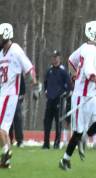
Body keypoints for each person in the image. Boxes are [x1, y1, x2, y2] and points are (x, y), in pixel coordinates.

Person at [59, 20, 96, 170]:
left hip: (90, 95)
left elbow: (71, 61)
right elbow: (89, 73)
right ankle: (65, 160)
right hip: (81, 96)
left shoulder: (84, 47)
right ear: (91, 34)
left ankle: (84, 139)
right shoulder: (91, 50)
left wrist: (75, 77)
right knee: (78, 132)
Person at [0, 23, 38, 168]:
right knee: (3, 128)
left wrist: (35, 84)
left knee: (1, 128)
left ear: (6, 35)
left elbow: (29, 67)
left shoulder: (15, 50)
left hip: (10, 94)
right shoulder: (1, 53)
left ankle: (6, 153)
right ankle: (6, 159)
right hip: (3, 93)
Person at [43, 50, 72, 149]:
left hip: (59, 99)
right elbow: (45, 83)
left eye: (56, 57)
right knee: (47, 122)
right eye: (53, 57)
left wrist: (65, 94)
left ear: (59, 58)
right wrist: (46, 91)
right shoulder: (49, 70)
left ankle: (57, 143)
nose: (54, 59)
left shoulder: (63, 71)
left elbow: (69, 85)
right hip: (50, 99)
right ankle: (46, 143)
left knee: (58, 122)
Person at [9, 74, 25, 147]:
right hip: (5, 97)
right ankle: (9, 139)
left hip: (16, 98)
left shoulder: (18, 72)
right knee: (7, 120)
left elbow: (23, 86)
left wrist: (21, 97)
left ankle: (20, 140)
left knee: (18, 118)